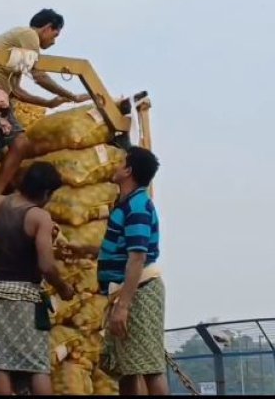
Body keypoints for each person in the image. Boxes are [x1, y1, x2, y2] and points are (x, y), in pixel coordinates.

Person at [0, 9, 90, 200]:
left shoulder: (21, 52)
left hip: (0, 95)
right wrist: (71, 95)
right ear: (47, 28)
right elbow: (39, 76)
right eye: (55, 35)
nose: (54, 41)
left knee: (21, 144)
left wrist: (48, 103)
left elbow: (15, 91)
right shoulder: (29, 36)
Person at [67, 146, 168, 396]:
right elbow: (122, 249)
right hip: (125, 292)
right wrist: (84, 250)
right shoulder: (124, 205)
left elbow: (137, 257)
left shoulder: (137, 207)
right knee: (126, 367)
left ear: (128, 171)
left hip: (138, 293)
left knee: (148, 366)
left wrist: (123, 306)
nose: (115, 164)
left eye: (120, 161)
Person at [0, 161, 76, 395]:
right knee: (37, 365)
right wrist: (63, 288)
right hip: (25, 296)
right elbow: (46, 265)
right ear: (45, 193)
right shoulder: (39, 217)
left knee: (1, 363)